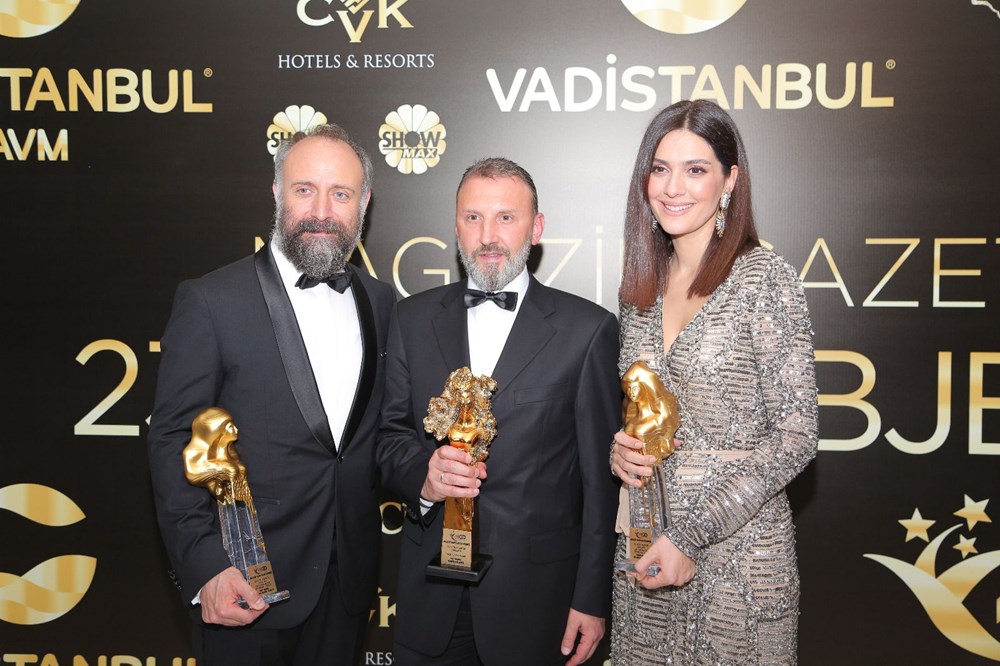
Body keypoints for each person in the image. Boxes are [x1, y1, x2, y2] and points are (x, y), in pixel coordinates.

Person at [147, 123, 394, 665]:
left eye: (341, 193)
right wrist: (206, 566)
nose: (322, 211)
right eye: (305, 189)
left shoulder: (381, 302)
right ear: (278, 192)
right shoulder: (212, 301)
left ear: (364, 203)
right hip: (241, 583)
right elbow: (172, 440)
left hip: (346, 587)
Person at [377, 157, 621, 665]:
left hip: (539, 602)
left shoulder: (587, 330)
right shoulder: (410, 319)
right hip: (430, 597)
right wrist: (424, 479)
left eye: (506, 217)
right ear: (456, 226)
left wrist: (592, 598)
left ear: (537, 228)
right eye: (473, 217)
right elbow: (389, 437)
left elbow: (600, 484)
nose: (488, 236)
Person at [609, 99, 818, 664]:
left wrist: (690, 535)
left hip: (739, 560)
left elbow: (797, 435)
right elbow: (645, 413)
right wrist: (620, 451)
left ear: (730, 180)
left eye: (695, 169)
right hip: (646, 545)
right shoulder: (639, 290)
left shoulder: (763, 278)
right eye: (660, 169)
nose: (673, 187)